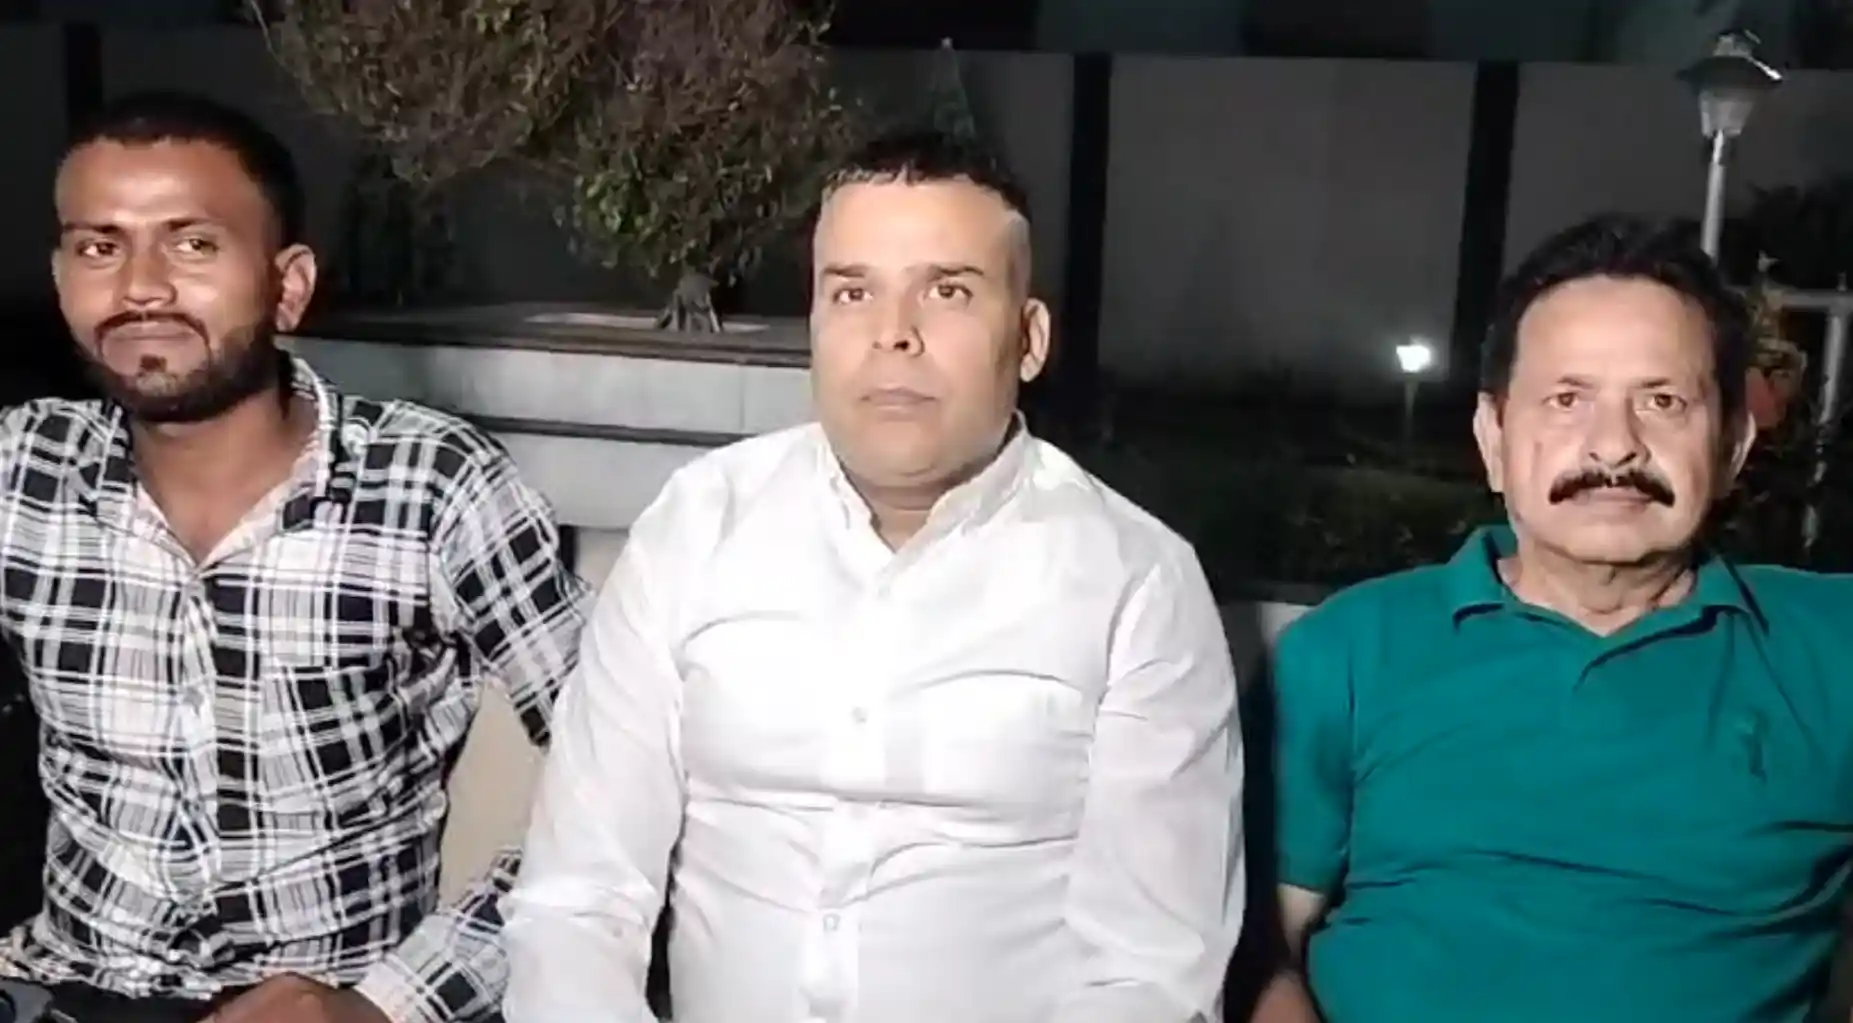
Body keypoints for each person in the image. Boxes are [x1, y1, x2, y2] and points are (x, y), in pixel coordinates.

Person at [501, 129, 1245, 1023]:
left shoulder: (1137, 582)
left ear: (1028, 337)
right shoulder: (695, 527)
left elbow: (1148, 977)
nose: (893, 333)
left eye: (948, 290)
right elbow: (577, 902)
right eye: (852, 291)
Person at [0, 91, 587, 1023]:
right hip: (64, 988)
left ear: (289, 286)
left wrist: (385, 1004)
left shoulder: (429, 485)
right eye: (99, 247)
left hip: (331, 999)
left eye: (193, 244)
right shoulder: (24, 469)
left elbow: (625, 787)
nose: (140, 287)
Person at [1254, 214, 1853, 1023]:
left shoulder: (1831, 649)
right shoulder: (1347, 651)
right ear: (1492, 437)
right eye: (1567, 399)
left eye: (1662, 401)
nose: (1613, 447)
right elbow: (1256, 952)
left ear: (1731, 447)